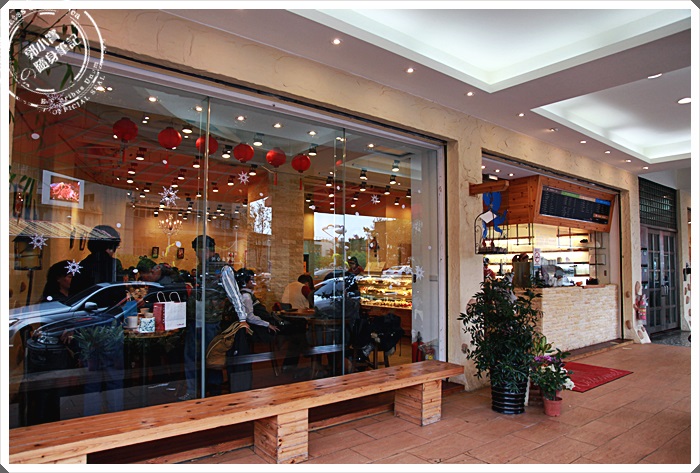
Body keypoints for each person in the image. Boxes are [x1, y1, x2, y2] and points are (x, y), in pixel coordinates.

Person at [69, 224, 124, 416]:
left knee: (91, 377)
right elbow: (119, 296)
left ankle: (90, 418)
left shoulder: (82, 266)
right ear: (111, 245)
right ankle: (115, 416)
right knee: (114, 376)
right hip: (109, 324)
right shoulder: (113, 265)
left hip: (85, 325)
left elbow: (74, 299)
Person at [180, 235, 225, 401]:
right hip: (199, 316)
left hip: (210, 318)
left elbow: (222, 292)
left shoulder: (219, 267)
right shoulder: (203, 266)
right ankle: (196, 391)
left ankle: (213, 392)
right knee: (193, 356)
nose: (197, 255)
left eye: (197, 251)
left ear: (205, 250)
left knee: (210, 357)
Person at [69, 224, 123, 296]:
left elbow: (74, 292)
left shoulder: (83, 264)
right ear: (111, 246)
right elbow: (119, 292)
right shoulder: (113, 264)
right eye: (115, 246)